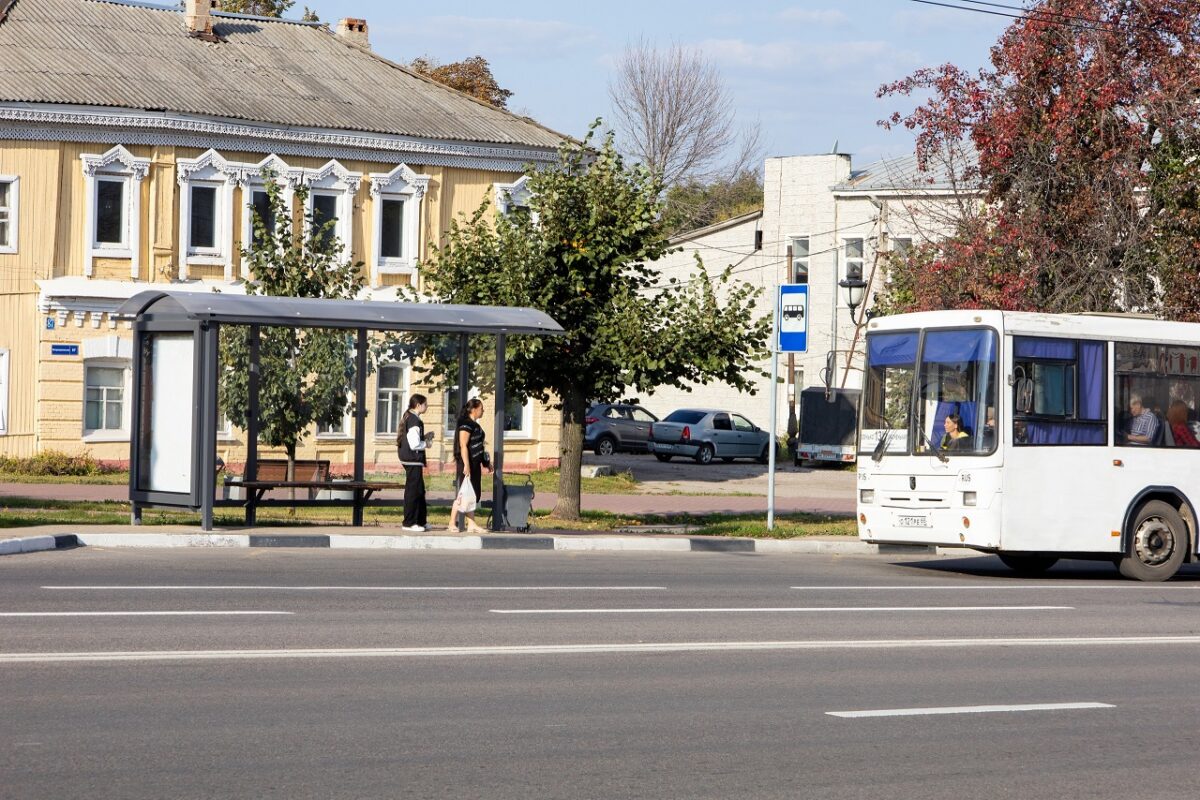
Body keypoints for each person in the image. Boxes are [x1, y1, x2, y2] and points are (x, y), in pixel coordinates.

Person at [447, 398, 492, 533]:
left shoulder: (474, 424)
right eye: (481, 408)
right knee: (463, 493)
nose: (483, 410)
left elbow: (478, 446)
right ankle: (451, 523)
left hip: (475, 463)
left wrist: (486, 462)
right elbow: (463, 445)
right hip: (467, 463)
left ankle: (471, 524)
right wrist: (466, 465)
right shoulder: (466, 424)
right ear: (474, 409)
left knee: (471, 494)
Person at [397, 394, 434, 532]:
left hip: (410, 459)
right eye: (425, 404)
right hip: (412, 460)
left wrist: (424, 438)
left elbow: (411, 439)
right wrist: (427, 443)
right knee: (413, 492)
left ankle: (420, 521)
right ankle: (409, 523)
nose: (427, 406)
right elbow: (414, 444)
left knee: (419, 491)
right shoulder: (414, 420)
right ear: (418, 405)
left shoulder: (409, 417)